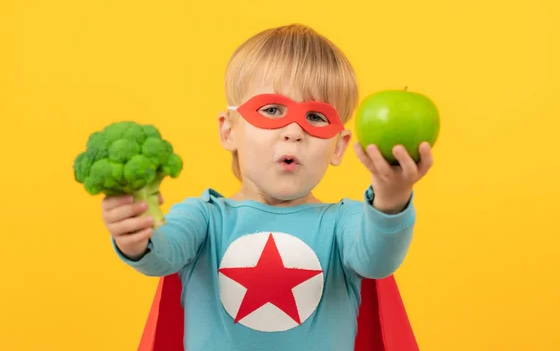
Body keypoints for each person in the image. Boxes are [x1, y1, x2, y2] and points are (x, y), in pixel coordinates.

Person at [101, 24, 433, 350]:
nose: (293, 131)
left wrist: (391, 200)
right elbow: (161, 255)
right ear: (229, 130)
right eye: (271, 110)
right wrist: (136, 233)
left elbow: (377, 260)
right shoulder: (203, 218)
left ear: (339, 145)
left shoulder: (344, 224)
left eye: (316, 117)